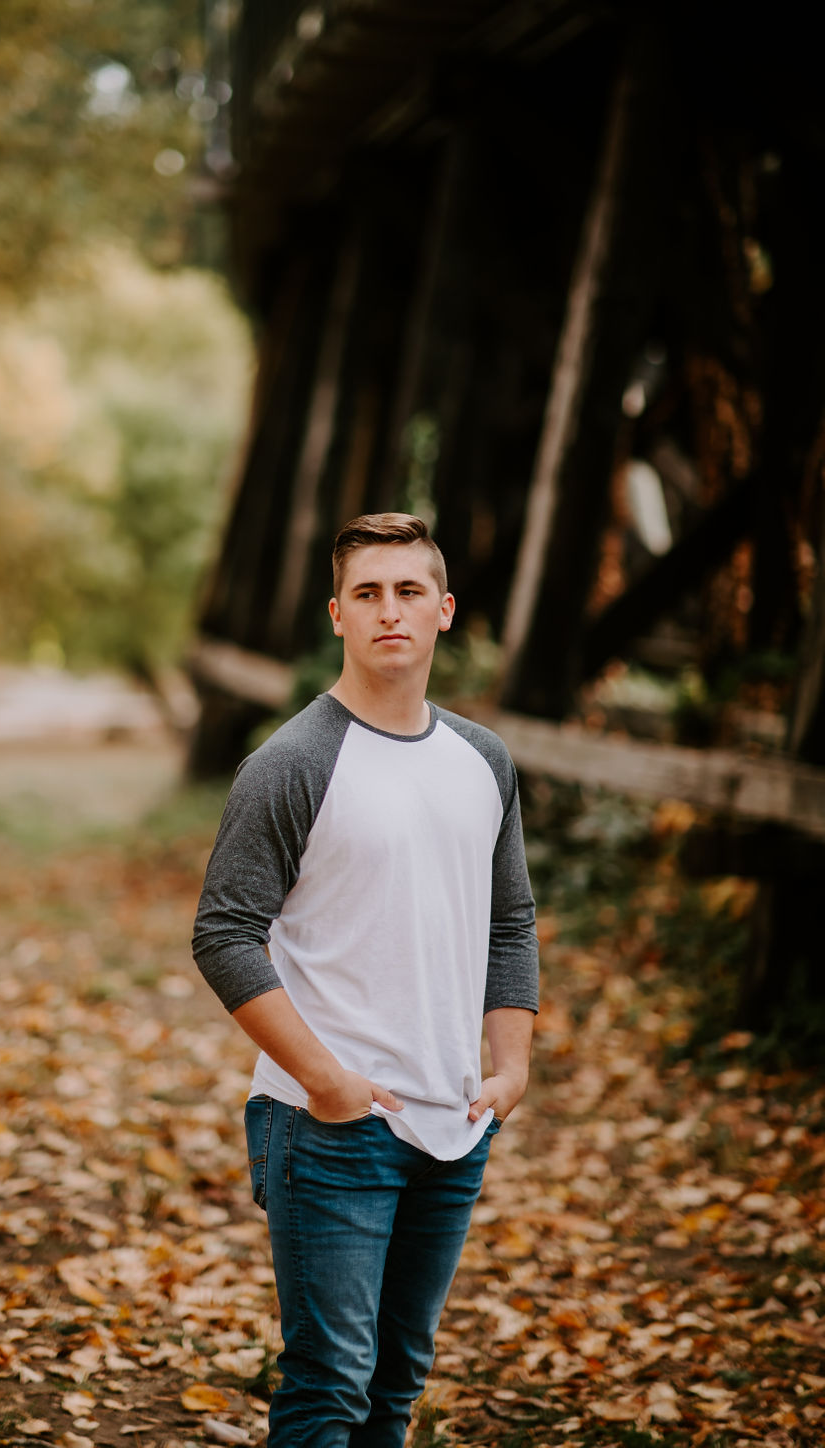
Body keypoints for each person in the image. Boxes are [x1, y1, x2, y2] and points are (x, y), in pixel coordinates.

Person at [192, 512, 538, 1447]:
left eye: (410, 592)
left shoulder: (483, 761)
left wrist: (510, 1069)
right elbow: (224, 934)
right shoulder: (293, 762)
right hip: (330, 1127)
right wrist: (326, 1080)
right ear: (337, 614)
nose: (392, 611)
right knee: (330, 1390)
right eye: (370, 594)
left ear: (445, 611)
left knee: (395, 1388)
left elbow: (509, 919)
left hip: (455, 1123)